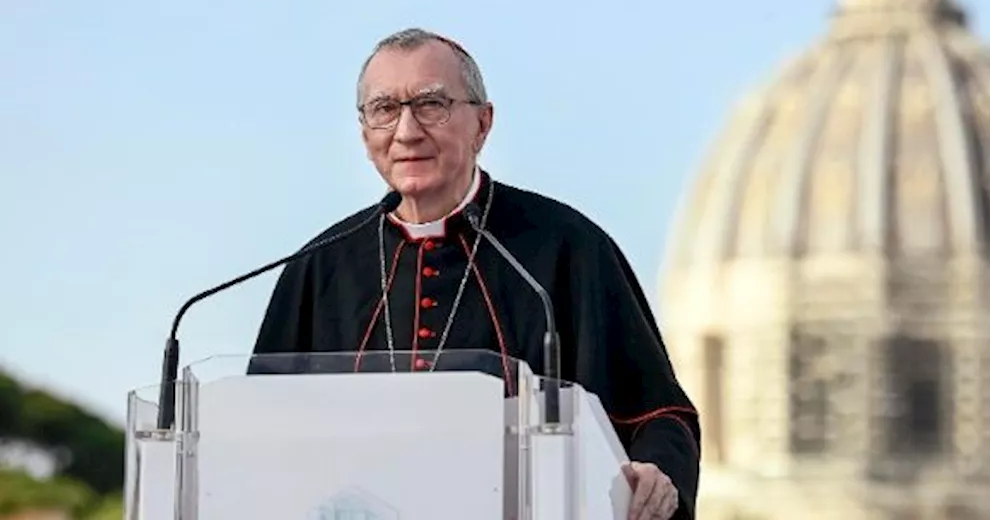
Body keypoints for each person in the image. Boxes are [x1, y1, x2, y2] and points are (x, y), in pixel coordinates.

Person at [252, 28, 700, 520]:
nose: (406, 131)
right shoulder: (318, 267)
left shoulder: (567, 247)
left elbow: (659, 415)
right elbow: (258, 436)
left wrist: (659, 471)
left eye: (431, 105)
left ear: (482, 124)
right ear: (365, 135)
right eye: (384, 110)